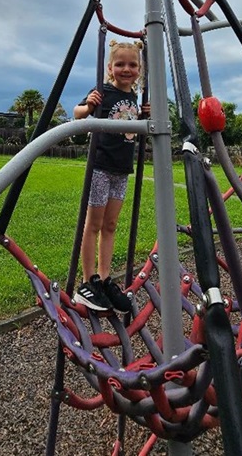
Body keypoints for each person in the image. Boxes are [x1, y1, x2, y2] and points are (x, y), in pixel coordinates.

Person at [73, 40, 150, 313]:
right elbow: (78, 115)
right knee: (93, 224)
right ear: (110, 68)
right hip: (101, 167)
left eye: (132, 64)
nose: (126, 69)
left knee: (111, 224)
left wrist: (144, 117)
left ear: (139, 69)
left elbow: (135, 130)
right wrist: (88, 106)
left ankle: (105, 279)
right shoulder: (102, 92)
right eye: (120, 64)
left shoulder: (135, 100)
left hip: (122, 169)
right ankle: (87, 281)